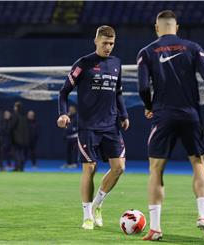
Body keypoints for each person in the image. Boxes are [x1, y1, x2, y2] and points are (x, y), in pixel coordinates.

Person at [137, 10, 204, 241]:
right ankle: (203, 216)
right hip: (191, 115)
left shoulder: (146, 52)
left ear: (157, 28)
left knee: (156, 170)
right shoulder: (193, 48)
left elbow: (143, 87)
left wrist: (148, 105)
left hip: (163, 116)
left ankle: (155, 228)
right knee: (198, 164)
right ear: (177, 27)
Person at [57, 25, 129, 230]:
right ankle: (87, 215)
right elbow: (64, 92)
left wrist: (123, 114)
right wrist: (62, 113)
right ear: (96, 41)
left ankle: (98, 204)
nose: (108, 47)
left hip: (111, 125)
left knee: (119, 168)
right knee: (90, 168)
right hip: (88, 127)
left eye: (112, 43)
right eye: (105, 43)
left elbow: (118, 92)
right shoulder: (83, 64)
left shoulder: (117, 63)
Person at [10, 101, 30, 172]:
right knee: (21, 153)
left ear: (16, 107)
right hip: (24, 139)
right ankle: (21, 167)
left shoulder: (15, 115)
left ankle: (17, 167)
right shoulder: (24, 116)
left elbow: (12, 126)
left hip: (17, 138)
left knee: (17, 153)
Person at [60, 105, 79, 169]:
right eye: (70, 109)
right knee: (68, 151)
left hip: (75, 137)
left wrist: (73, 129)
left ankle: (75, 163)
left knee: (75, 151)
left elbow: (78, 126)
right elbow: (64, 126)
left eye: (72, 109)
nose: (70, 110)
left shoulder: (77, 117)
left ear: (75, 110)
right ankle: (69, 163)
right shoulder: (67, 117)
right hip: (68, 137)